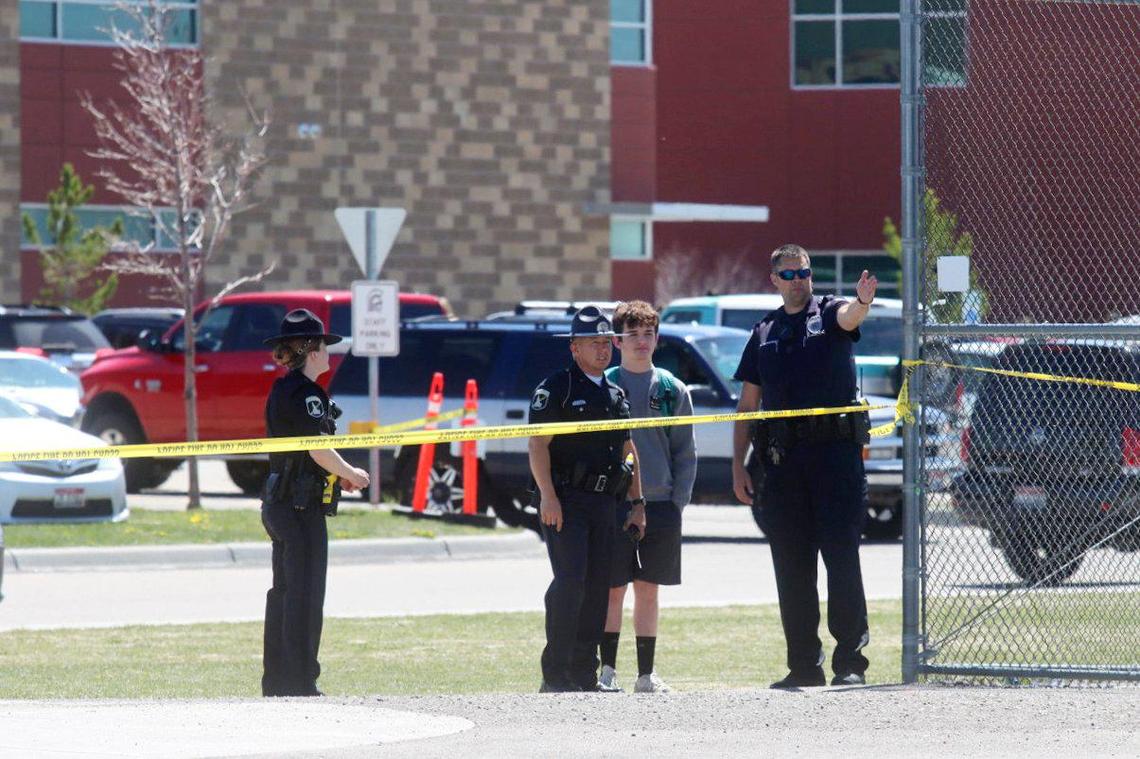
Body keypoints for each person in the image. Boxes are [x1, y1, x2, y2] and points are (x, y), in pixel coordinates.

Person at [731, 244, 877, 689]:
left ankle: (849, 662)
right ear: (773, 279)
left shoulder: (828, 312)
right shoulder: (764, 332)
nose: (798, 280)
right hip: (782, 465)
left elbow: (850, 318)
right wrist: (738, 465)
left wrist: (865, 301)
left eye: (804, 273)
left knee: (841, 560)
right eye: (789, 274)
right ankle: (803, 665)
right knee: (792, 567)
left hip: (834, 461)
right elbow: (747, 404)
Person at [528, 304, 645, 693]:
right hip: (567, 500)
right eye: (592, 343)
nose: (602, 349)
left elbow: (629, 449)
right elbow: (538, 446)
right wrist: (548, 497)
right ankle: (555, 673)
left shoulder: (615, 393)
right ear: (574, 348)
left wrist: (637, 502)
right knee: (571, 583)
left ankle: (583, 672)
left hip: (606, 504)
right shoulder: (556, 388)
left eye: (606, 341)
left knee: (598, 586)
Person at [260, 308, 370, 697]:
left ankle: (277, 680)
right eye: (324, 346)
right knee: (305, 595)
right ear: (310, 350)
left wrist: (336, 470)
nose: (330, 353)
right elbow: (317, 449)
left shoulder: (281, 389)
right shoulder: (309, 396)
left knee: (284, 593)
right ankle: (300, 680)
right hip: (299, 507)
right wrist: (351, 472)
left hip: (279, 504)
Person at [598, 300, 696, 694]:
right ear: (617, 341)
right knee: (612, 588)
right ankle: (606, 671)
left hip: (660, 502)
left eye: (648, 333)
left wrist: (676, 502)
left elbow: (685, 452)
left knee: (648, 589)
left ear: (657, 338)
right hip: (613, 503)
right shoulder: (603, 384)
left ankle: (646, 674)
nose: (641, 341)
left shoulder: (673, 389)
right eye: (632, 334)